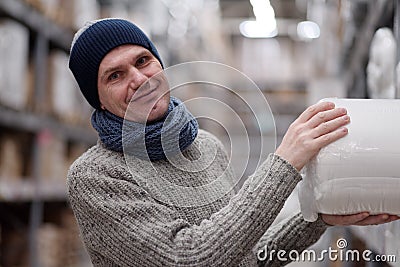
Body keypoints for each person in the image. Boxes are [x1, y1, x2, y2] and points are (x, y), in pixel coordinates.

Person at [67, 18, 398, 267]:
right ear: (98, 100)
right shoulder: (96, 177)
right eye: (115, 75)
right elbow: (189, 258)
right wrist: (284, 163)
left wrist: (319, 219)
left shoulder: (205, 147)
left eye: (142, 61)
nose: (139, 80)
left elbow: (246, 257)